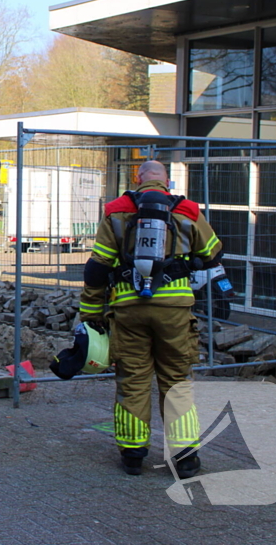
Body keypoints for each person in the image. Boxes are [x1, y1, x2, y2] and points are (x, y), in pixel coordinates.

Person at [79, 160, 223, 478]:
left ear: (138, 179)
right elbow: (213, 253)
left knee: (133, 380)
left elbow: (97, 268)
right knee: (176, 382)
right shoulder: (187, 211)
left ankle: (132, 456)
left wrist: (90, 313)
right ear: (167, 182)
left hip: (129, 310)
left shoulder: (116, 210)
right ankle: (185, 459)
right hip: (174, 310)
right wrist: (186, 260)